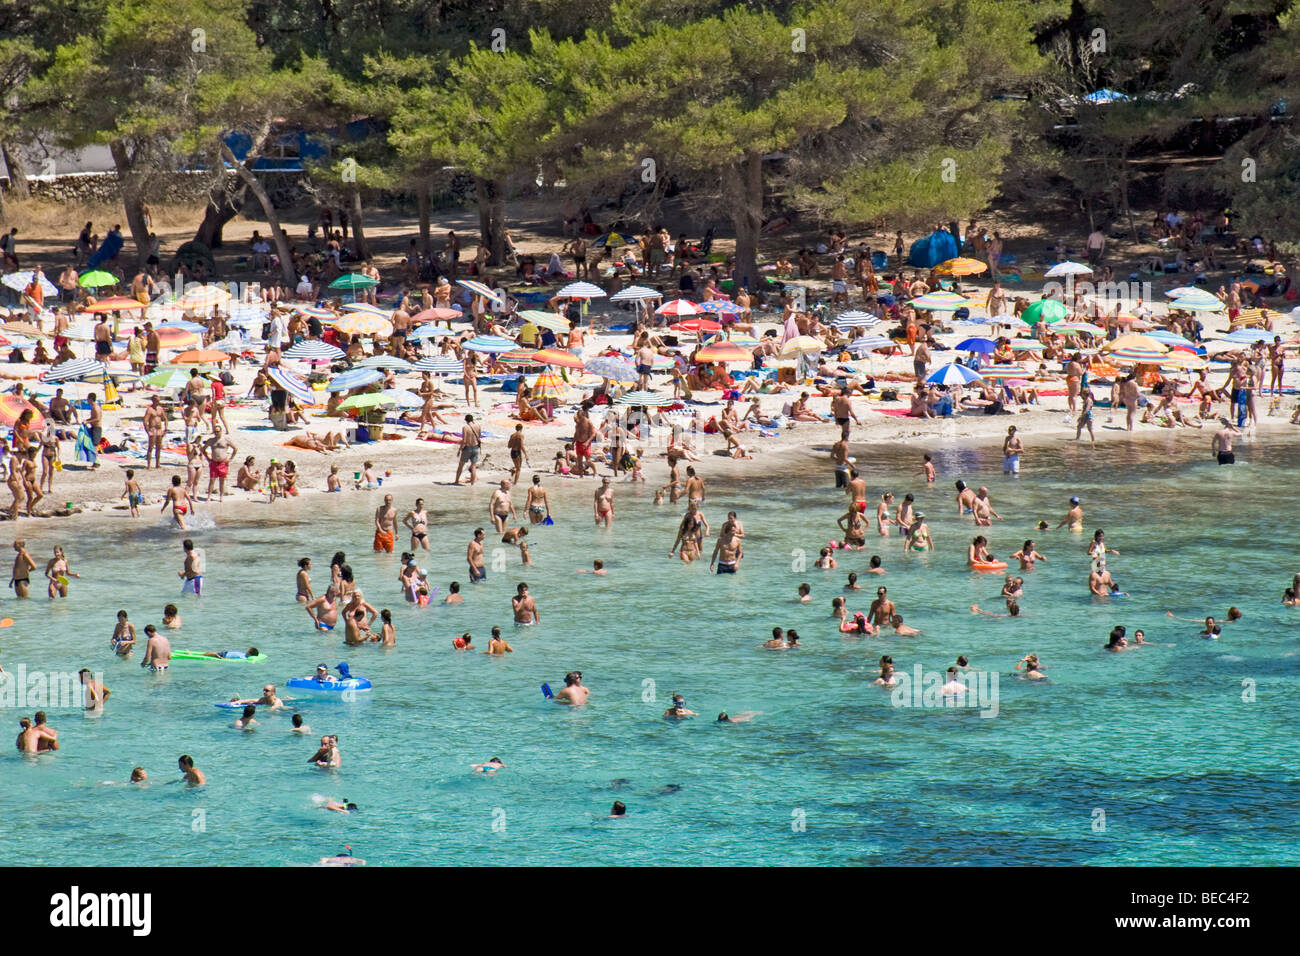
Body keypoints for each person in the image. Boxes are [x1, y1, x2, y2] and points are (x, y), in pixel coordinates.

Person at [454, 414, 481, 485]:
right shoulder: (478, 426)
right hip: (475, 447)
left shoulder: (465, 427)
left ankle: (456, 480)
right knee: (473, 466)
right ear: (472, 420)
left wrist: (459, 450)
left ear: (466, 420)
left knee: (461, 465)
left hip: (468, 448)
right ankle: (473, 483)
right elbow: (479, 436)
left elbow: (464, 440)